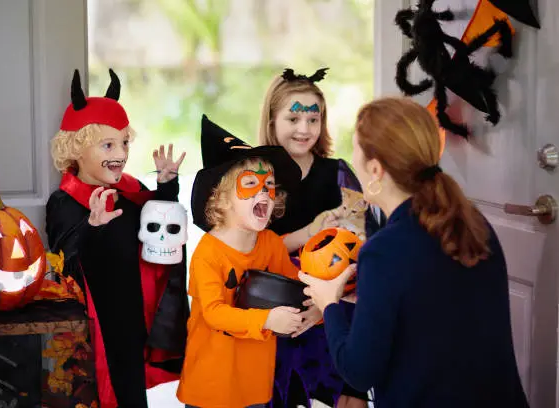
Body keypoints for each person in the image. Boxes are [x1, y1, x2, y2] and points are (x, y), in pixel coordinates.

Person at [300, 96, 530, 408]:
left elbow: (359, 371)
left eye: (355, 151)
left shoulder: (383, 252)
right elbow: (434, 310)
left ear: (376, 169)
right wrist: (368, 295)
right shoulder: (474, 224)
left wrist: (329, 304)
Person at [45, 69, 188, 408]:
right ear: (76, 149)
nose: (120, 153)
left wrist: (166, 187)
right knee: (95, 395)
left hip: (131, 316)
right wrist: (93, 226)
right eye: (107, 145)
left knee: (131, 395)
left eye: (124, 142)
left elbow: (158, 234)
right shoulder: (65, 202)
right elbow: (69, 263)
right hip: (96, 326)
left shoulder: (129, 192)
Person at [177, 115, 320, 408]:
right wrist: (267, 319)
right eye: (251, 183)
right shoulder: (208, 252)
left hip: (255, 383)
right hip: (210, 386)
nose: (263, 192)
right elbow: (215, 314)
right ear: (223, 199)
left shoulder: (269, 243)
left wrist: (315, 308)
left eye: (269, 185)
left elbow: (295, 286)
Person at [258, 67, 381, 408]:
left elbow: (362, 246)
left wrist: (326, 306)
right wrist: (308, 233)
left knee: (342, 393)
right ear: (271, 121)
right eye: (294, 119)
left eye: (314, 119)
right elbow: (249, 250)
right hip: (272, 306)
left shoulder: (338, 172)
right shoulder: (254, 175)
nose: (304, 129)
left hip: (334, 304)